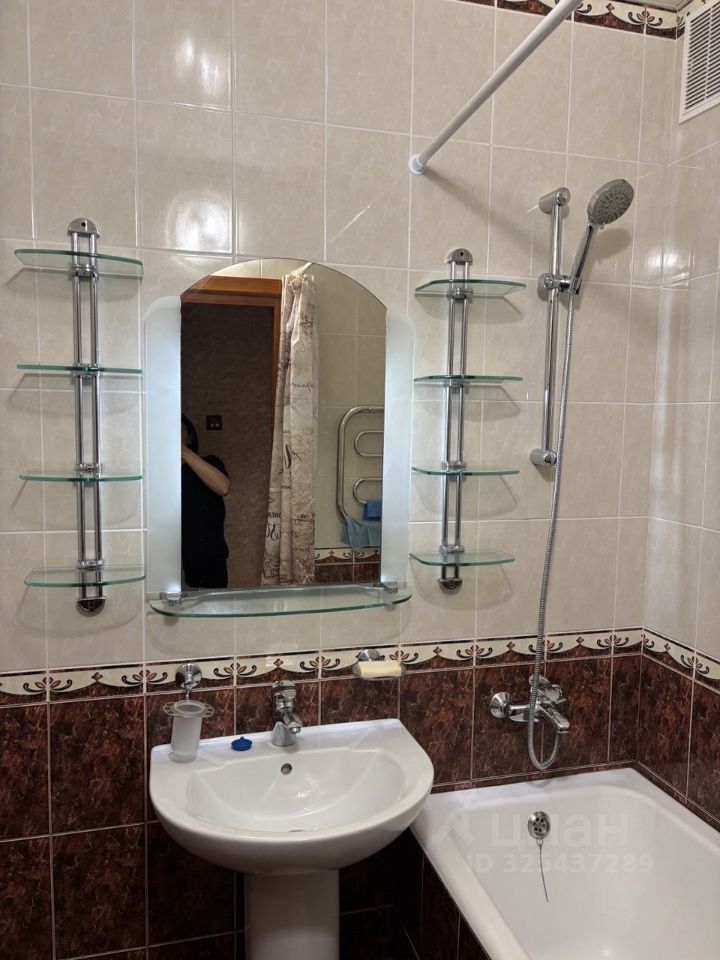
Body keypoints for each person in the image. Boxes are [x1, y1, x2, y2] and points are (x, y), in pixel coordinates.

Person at [181, 414, 231, 588]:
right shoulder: (158, 472)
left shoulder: (210, 462)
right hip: (170, 559)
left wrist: (182, 450)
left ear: (190, 437)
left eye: (178, 430)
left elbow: (223, 487)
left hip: (209, 562)